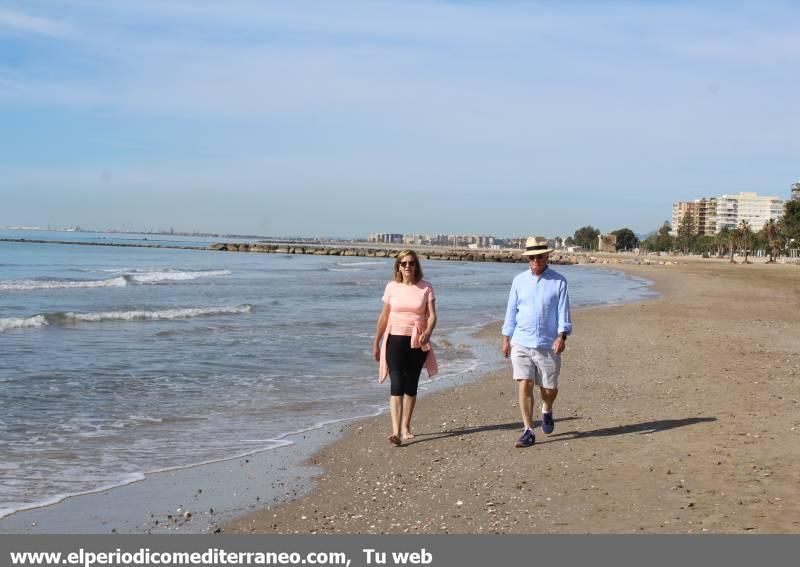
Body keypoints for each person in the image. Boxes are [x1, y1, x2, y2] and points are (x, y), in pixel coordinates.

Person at [501, 236, 572, 448]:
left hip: (548, 343)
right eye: (531, 257)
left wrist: (562, 335)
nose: (535, 260)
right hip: (521, 341)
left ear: (547, 256)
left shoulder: (559, 281)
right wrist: (506, 338)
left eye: (539, 256)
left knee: (548, 389)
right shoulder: (518, 281)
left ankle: (547, 409)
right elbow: (511, 312)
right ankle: (528, 430)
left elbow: (563, 313)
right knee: (525, 383)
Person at [373, 250, 438, 446]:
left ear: (416, 266)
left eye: (411, 263)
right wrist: (376, 341)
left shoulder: (426, 287)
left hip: (417, 340)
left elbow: (433, 315)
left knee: (411, 385)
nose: (407, 266)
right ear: (398, 267)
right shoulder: (391, 287)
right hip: (394, 340)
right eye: (403, 263)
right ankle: (395, 431)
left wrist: (428, 331)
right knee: (396, 385)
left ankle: (406, 427)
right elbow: (384, 316)